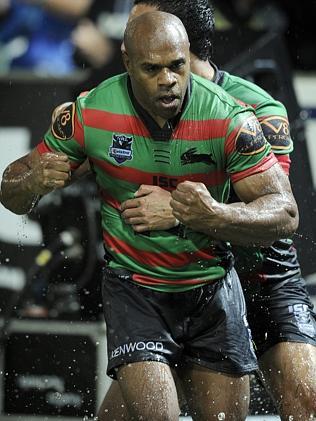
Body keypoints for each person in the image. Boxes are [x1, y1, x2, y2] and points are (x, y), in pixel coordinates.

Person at [1, 11, 299, 421]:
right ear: (127, 62)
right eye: (152, 69)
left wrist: (208, 213)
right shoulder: (91, 113)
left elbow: (285, 215)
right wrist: (32, 182)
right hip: (136, 290)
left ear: (188, 55)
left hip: (212, 288)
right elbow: (10, 190)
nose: (168, 80)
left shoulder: (231, 118)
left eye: (177, 66)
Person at [96, 1, 316, 420]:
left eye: (139, 23)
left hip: (260, 272)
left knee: (307, 402)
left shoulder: (257, 109)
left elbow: (273, 214)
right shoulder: (117, 101)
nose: (129, 38)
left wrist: (182, 212)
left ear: (180, 37)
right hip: (178, 280)